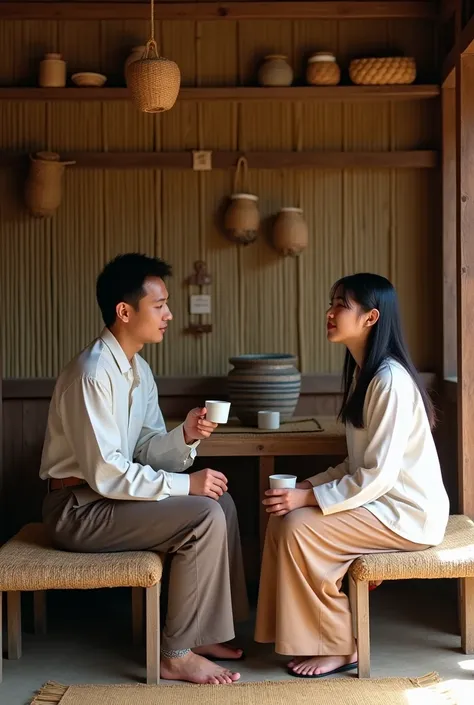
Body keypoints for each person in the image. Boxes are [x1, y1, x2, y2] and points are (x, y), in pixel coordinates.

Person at [40, 252, 249, 685]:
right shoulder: (92, 373)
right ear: (125, 311)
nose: (168, 314)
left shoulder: (139, 369)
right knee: (203, 513)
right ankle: (174, 654)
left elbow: (145, 449)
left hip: (108, 500)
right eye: (160, 305)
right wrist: (185, 483)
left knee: (220, 502)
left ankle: (202, 633)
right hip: (77, 508)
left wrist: (186, 435)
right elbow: (109, 473)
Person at [254, 272, 449, 678]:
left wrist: (306, 500)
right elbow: (356, 465)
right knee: (283, 522)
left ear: (371, 317)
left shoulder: (390, 381)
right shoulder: (367, 375)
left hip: (407, 513)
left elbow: (378, 476)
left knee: (299, 529)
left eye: (342, 304)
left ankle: (341, 645)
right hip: (381, 504)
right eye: (333, 302)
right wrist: (308, 486)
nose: (330, 311)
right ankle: (296, 634)